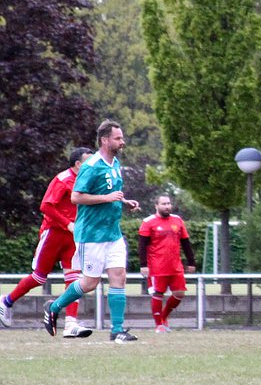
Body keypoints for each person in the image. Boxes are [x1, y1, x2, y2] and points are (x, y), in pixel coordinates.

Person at [43, 119, 141, 343]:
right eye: (118, 138)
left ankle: (117, 330)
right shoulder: (91, 166)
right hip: (91, 234)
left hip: (112, 233)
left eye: (121, 137)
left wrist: (124, 201)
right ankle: (54, 307)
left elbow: (111, 191)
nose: (122, 141)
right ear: (105, 140)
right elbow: (76, 197)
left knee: (119, 276)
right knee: (90, 282)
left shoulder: (114, 163)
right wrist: (106, 198)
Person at [0, 147, 94, 338]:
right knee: (39, 277)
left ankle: (70, 324)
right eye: (88, 161)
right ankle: (6, 302)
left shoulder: (87, 180)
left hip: (74, 237)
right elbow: (45, 206)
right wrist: (67, 224)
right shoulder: (62, 179)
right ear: (78, 164)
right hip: (54, 233)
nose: (92, 165)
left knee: (74, 278)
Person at [138, 194, 196, 333]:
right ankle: (159, 325)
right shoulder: (148, 222)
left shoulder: (177, 220)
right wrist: (143, 264)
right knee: (158, 294)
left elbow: (185, 242)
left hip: (175, 266)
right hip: (157, 266)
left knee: (180, 293)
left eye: (168, 203)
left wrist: (191, 261)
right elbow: (141, 245)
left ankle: (163, 318)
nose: (167, 206)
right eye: (163, 204)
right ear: (156, 206)